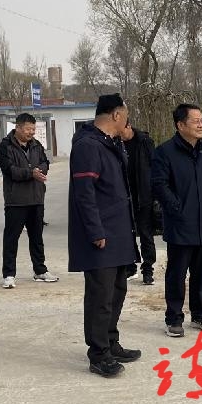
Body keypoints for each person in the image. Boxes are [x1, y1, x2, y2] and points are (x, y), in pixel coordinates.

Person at [68, 94, 141, 378]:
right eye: (126, 116)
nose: (127, 122)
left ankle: (111, 343)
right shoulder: (88, 146)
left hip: (119, 232)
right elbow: (84, 194)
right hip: (102, 234)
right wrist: (95, 230)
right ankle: (98, 354)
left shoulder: (110, 143)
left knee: (117, 291)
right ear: (116, 115)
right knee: (101, 296)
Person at [152, 104, 202, 338]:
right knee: (177, 273)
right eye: (196, 121)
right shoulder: (165, 152)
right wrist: (177, 209)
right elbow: (159, 185)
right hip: (180, 224)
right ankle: (174, 318)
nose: (201, 124)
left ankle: (200, 314)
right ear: (180, 125)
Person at [0, 113, 58, 289]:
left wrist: (40, 170)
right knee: (11, 239)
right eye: (28, 129)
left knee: (37, 237)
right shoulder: (6, 146)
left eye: (33, 129)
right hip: (16, 200)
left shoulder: (36, 145)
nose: (31, 132)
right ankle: (9, 274)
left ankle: (40, 270)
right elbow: (9, 170)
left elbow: (45, 162)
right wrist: (31, 173)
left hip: (36, 198)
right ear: (18, 127)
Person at [121, 120, 157, 285]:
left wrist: (155, 193)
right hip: (124, 196)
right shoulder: (116, 144)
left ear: (128, 126)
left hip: (143, 195)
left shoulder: (145, 142)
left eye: (122, 131)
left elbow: (156, 167)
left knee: (145, 233)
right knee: (126, 233)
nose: (120, 135)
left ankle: (148, 269)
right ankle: (130, 267)